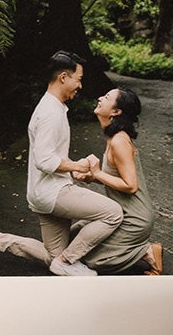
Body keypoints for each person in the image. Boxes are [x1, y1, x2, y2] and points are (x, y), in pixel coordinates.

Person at [0, 51, 122, 276]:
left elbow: (49, 156)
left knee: (53, 257)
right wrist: (78, 166)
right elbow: (44, 161)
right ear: (64, 77)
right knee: (112, 213)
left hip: (42, 191)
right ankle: (68, 260)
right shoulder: (50, 113)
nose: (80, 86)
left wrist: (73, 172)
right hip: (53, 193)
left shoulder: (53, 107)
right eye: (78, 79)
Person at [70, 86, 163, 275]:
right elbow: (117, 177)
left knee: (92, 261)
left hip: (134, 219)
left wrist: (96, 173)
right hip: (122, 213)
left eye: (106, 97)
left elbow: (130, 185)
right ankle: (136, 249)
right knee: (74, 237)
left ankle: (147, 251)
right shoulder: (113, 137)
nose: (99, 97)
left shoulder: (119, 141)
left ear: (116, 111)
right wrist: (91, 178)